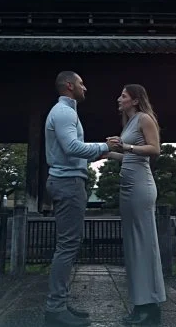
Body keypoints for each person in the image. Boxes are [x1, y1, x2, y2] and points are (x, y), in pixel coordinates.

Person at [44, 71, 119, 327]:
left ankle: (60, 303)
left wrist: (106, 151)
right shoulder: (64, 113)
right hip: (67, 183)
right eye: (81, 83)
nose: (85, 88)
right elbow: (73, 148)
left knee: (69, 244)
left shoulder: (67, 112)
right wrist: (106, 146)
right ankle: (55, 308)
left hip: (69, 181)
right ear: (69, 85)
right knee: (66, 246)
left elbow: (77, 153)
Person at [106, 84, 166, 325]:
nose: (119, 98)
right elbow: (128, 156)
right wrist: (109, 153)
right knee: (133, 246)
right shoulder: (128, 123)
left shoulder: (144, 118)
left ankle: (150, 307)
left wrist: (127, 146)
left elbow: (155, 149)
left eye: (123, 95)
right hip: (128, 188)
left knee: (144, 245)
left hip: (141, 187)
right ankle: (141, 303)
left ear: (135, 100)